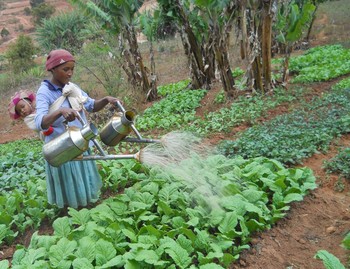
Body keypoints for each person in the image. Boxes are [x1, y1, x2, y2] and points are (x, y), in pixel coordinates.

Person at [34, 49, 121, 209]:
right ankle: (72, 211)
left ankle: (87, 206)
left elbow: (91, 105)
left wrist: (106, 100)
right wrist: (60, 112)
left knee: (83, 177)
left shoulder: (72, 88)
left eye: (72, 69)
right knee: (70, 180)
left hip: (80, 142)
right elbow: (40, 122)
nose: (70, 73)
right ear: (52, 69)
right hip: (62, 147)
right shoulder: (44, 92)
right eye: (65, 69)